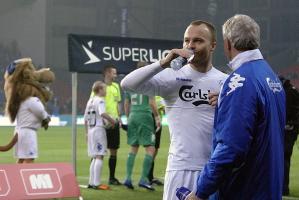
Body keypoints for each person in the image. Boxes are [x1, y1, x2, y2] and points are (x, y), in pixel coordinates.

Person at [176, 14, 286, 200]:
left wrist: (200, 191)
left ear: (228, 43)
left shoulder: (239, 81)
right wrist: (231, 100)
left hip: (246, 190)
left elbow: (231, 149)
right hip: (268, 187)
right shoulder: (270, 76)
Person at [121, 20, 227, 200]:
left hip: (216, 170)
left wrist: (226, 102)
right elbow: (127, 84)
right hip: (181, 168)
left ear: (213, 46)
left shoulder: (225, 81)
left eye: (198, 41)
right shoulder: (171, 77)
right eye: (187, 40)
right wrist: (163, 62)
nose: (190, 45)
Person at [123, 61, 161, 191]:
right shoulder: (149, 83)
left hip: (133, 115)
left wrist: (129, 118)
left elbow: (126, 104)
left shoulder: (130, 84)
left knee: (133, 147)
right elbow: (151, 102)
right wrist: (157, 117)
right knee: (150, 148)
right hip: (145, 116)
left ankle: (128, 178)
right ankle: (144, 179)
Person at [84, 81, 116, 190]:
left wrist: (86, 133)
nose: (106, 91)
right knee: (100, 155)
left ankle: (91, 182)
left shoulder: (90, 101)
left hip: (91, 130)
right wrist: (112, 121)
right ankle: (97, 183)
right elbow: (102, 113)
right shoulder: (100, 100)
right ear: (99, 90)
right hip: (98, 130)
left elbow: (85, 119)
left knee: (94, 156)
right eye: (104, 89)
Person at [102, 65, 122, 185]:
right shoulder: (100, 87)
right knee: (99, 151)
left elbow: (118, 103)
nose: (115, 75)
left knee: (114, 150)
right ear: (108, 73)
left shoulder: (116, 86)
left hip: (114, 123)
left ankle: (112, 178)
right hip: (103, 123)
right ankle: (94, 179)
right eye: (114, 73)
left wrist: (119, 117)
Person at [280, 76, 299, 196]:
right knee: (285, 158)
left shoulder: (285, 93)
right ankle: (283, 188)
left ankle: (283, 188)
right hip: (292, 130)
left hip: (287, 130)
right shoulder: (293, 91)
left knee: (283, 159)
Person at [148, 96, 165, 186]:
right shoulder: (154, 93)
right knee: (152, 148)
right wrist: (157, 117)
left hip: (156, 121)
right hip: (152, 120)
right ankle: (147, 177)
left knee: (155, 148)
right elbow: (152, 104)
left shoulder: (159, 94)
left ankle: (150, 176)